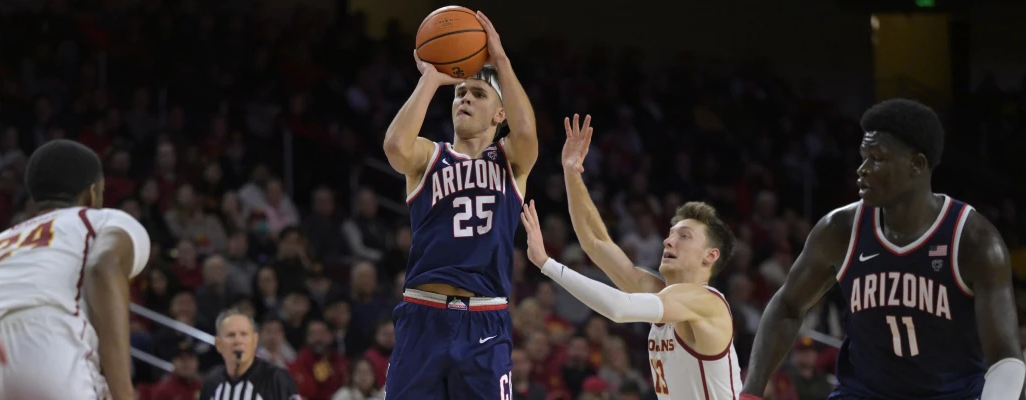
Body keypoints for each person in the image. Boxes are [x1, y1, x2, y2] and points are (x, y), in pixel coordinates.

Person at [740, 99, 1025, 400]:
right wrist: (751, 393)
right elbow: (787, 306)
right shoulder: (839, 229)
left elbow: (1005, 357)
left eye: (877, 158)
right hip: (863, 393)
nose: (862, 169)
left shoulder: (974, 240)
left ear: (917, 164)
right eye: (863, 156)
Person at [519, 115, 741, 399]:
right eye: (671, 233)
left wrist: (547, 265)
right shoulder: (658, 292)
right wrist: (572, 173)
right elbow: (596, 242)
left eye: (684, 236)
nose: (668, 240)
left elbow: (619, 309)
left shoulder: (707, 303)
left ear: (710, 256)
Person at [380, 10, 537, 400]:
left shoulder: (510, 161)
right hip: (423, 315)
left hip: (485, 319)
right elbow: (395, 146)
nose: (465, 97)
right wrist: (431, 79)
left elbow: (528, 131)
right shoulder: (429, 158)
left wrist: (501, 61)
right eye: (460, 93)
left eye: (478, 94)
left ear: (500, 114)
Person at [0, 139, 150, 400]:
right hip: (48, 344)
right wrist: (124, 393)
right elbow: (104, 268)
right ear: (92, 193)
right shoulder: (101, 219)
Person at [199, 309, 299, 400]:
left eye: (244, 334)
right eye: (231, 335)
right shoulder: (211, 382)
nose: (238, 341)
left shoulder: (276, 378)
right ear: (219, 344)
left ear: (255, 340)